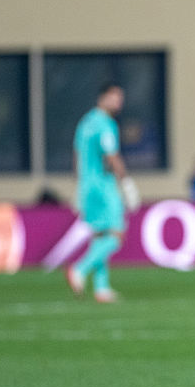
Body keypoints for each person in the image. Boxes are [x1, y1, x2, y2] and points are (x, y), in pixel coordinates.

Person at [66, 82, 140, 303]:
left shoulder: (85, 122)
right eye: (115, 97)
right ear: (103, 97)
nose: (119, 102)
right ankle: (80, 269)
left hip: (87, 185)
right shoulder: (106, 125)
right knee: (116, 235)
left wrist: (79, 187)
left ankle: (101, 288)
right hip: (103, 185)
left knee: (100, 235)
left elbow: (77, 156)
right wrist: (126, 183)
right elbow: (112, 156)